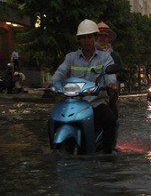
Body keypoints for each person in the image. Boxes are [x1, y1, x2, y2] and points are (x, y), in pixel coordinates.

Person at [49, 19, 117, 154]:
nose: (86, 40)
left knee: (109, 119)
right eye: (83, 37)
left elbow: (110, 73)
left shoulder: (105, 58)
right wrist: (52, 83)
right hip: (73, 102)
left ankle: (108, 154)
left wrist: (110, 83)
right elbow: (60, 72)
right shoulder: (70, 58)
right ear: (79, 39)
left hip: (96, 103)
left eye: (89, 37)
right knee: (52, 118)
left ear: (95, 38)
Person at [96, 21, 128, 118]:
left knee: (111, 120)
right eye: (99, 35)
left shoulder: (114, 56)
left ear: (109, 39)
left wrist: (115, 76)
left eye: (105, 36)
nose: (102, 38)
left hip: (109, 98)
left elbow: (124, 75)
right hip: (86, 96)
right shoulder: (87, 54)